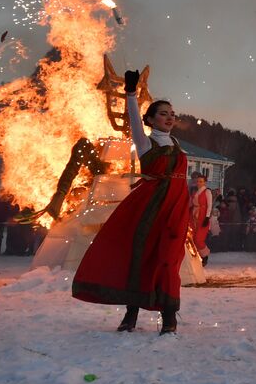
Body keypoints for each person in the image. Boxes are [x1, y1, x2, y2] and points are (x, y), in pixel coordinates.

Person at [71, 70, 192, 334]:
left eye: (172, 114)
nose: (170, 117)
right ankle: (131, 314)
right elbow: (134, 120)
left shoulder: (176, 143)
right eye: (163, 113)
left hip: (176, 208)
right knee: (140, 258)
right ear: (150, 119)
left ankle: (169, 317)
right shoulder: (146, 142)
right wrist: (130, 94)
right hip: (151, 208)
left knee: (169, 260)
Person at [190, 172, 214, 266]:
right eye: (198, 181)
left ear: (205, 182)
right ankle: (196, 257)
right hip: (194, 216)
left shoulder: (207, 191)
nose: (199, 183)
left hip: (203, 217)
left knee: (199, 239)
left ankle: (205, 256)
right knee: (192, 237)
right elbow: (192, 204)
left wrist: (207, 217)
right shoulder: (195, 192)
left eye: (201, 181)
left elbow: (210, 205)